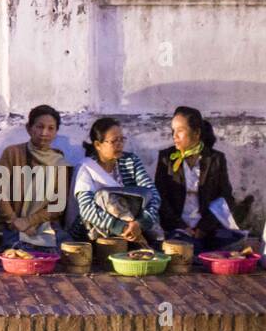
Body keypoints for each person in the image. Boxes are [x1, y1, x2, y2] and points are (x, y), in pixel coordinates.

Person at [154, 106, 246, 253]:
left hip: (207, 228)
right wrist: (182, 227)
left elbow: (225, 197)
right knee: (183, 244)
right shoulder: (167, 158)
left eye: (180, 130)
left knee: (233, 241)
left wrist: (203, 228)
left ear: (196, 133)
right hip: (177, 228)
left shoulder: (215, 159)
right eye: (173, 130)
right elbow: (159, 197)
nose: (174, 136)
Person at [72, 117, 162, 246]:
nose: (119, 144)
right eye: (114, 141)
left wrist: (140, 223)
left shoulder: (131, 161)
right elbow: (86, 208)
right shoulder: (86, 168)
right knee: (105, 197)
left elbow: (153, 194)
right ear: (98, 145)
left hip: (135, 229)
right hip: (98, 233)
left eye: (121, 140)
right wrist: (121, 227)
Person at [0, 104, 72, 250]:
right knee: (16, 253)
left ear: (56, 132)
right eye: (39, 126)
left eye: (50, 128)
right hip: (12, 224)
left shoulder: (59, 161)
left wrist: (30, 221)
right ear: (29, 129)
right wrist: (15, 221)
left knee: (68, 252)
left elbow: (58, 205)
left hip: (45, 224)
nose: (44, 133)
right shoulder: (12, 153)